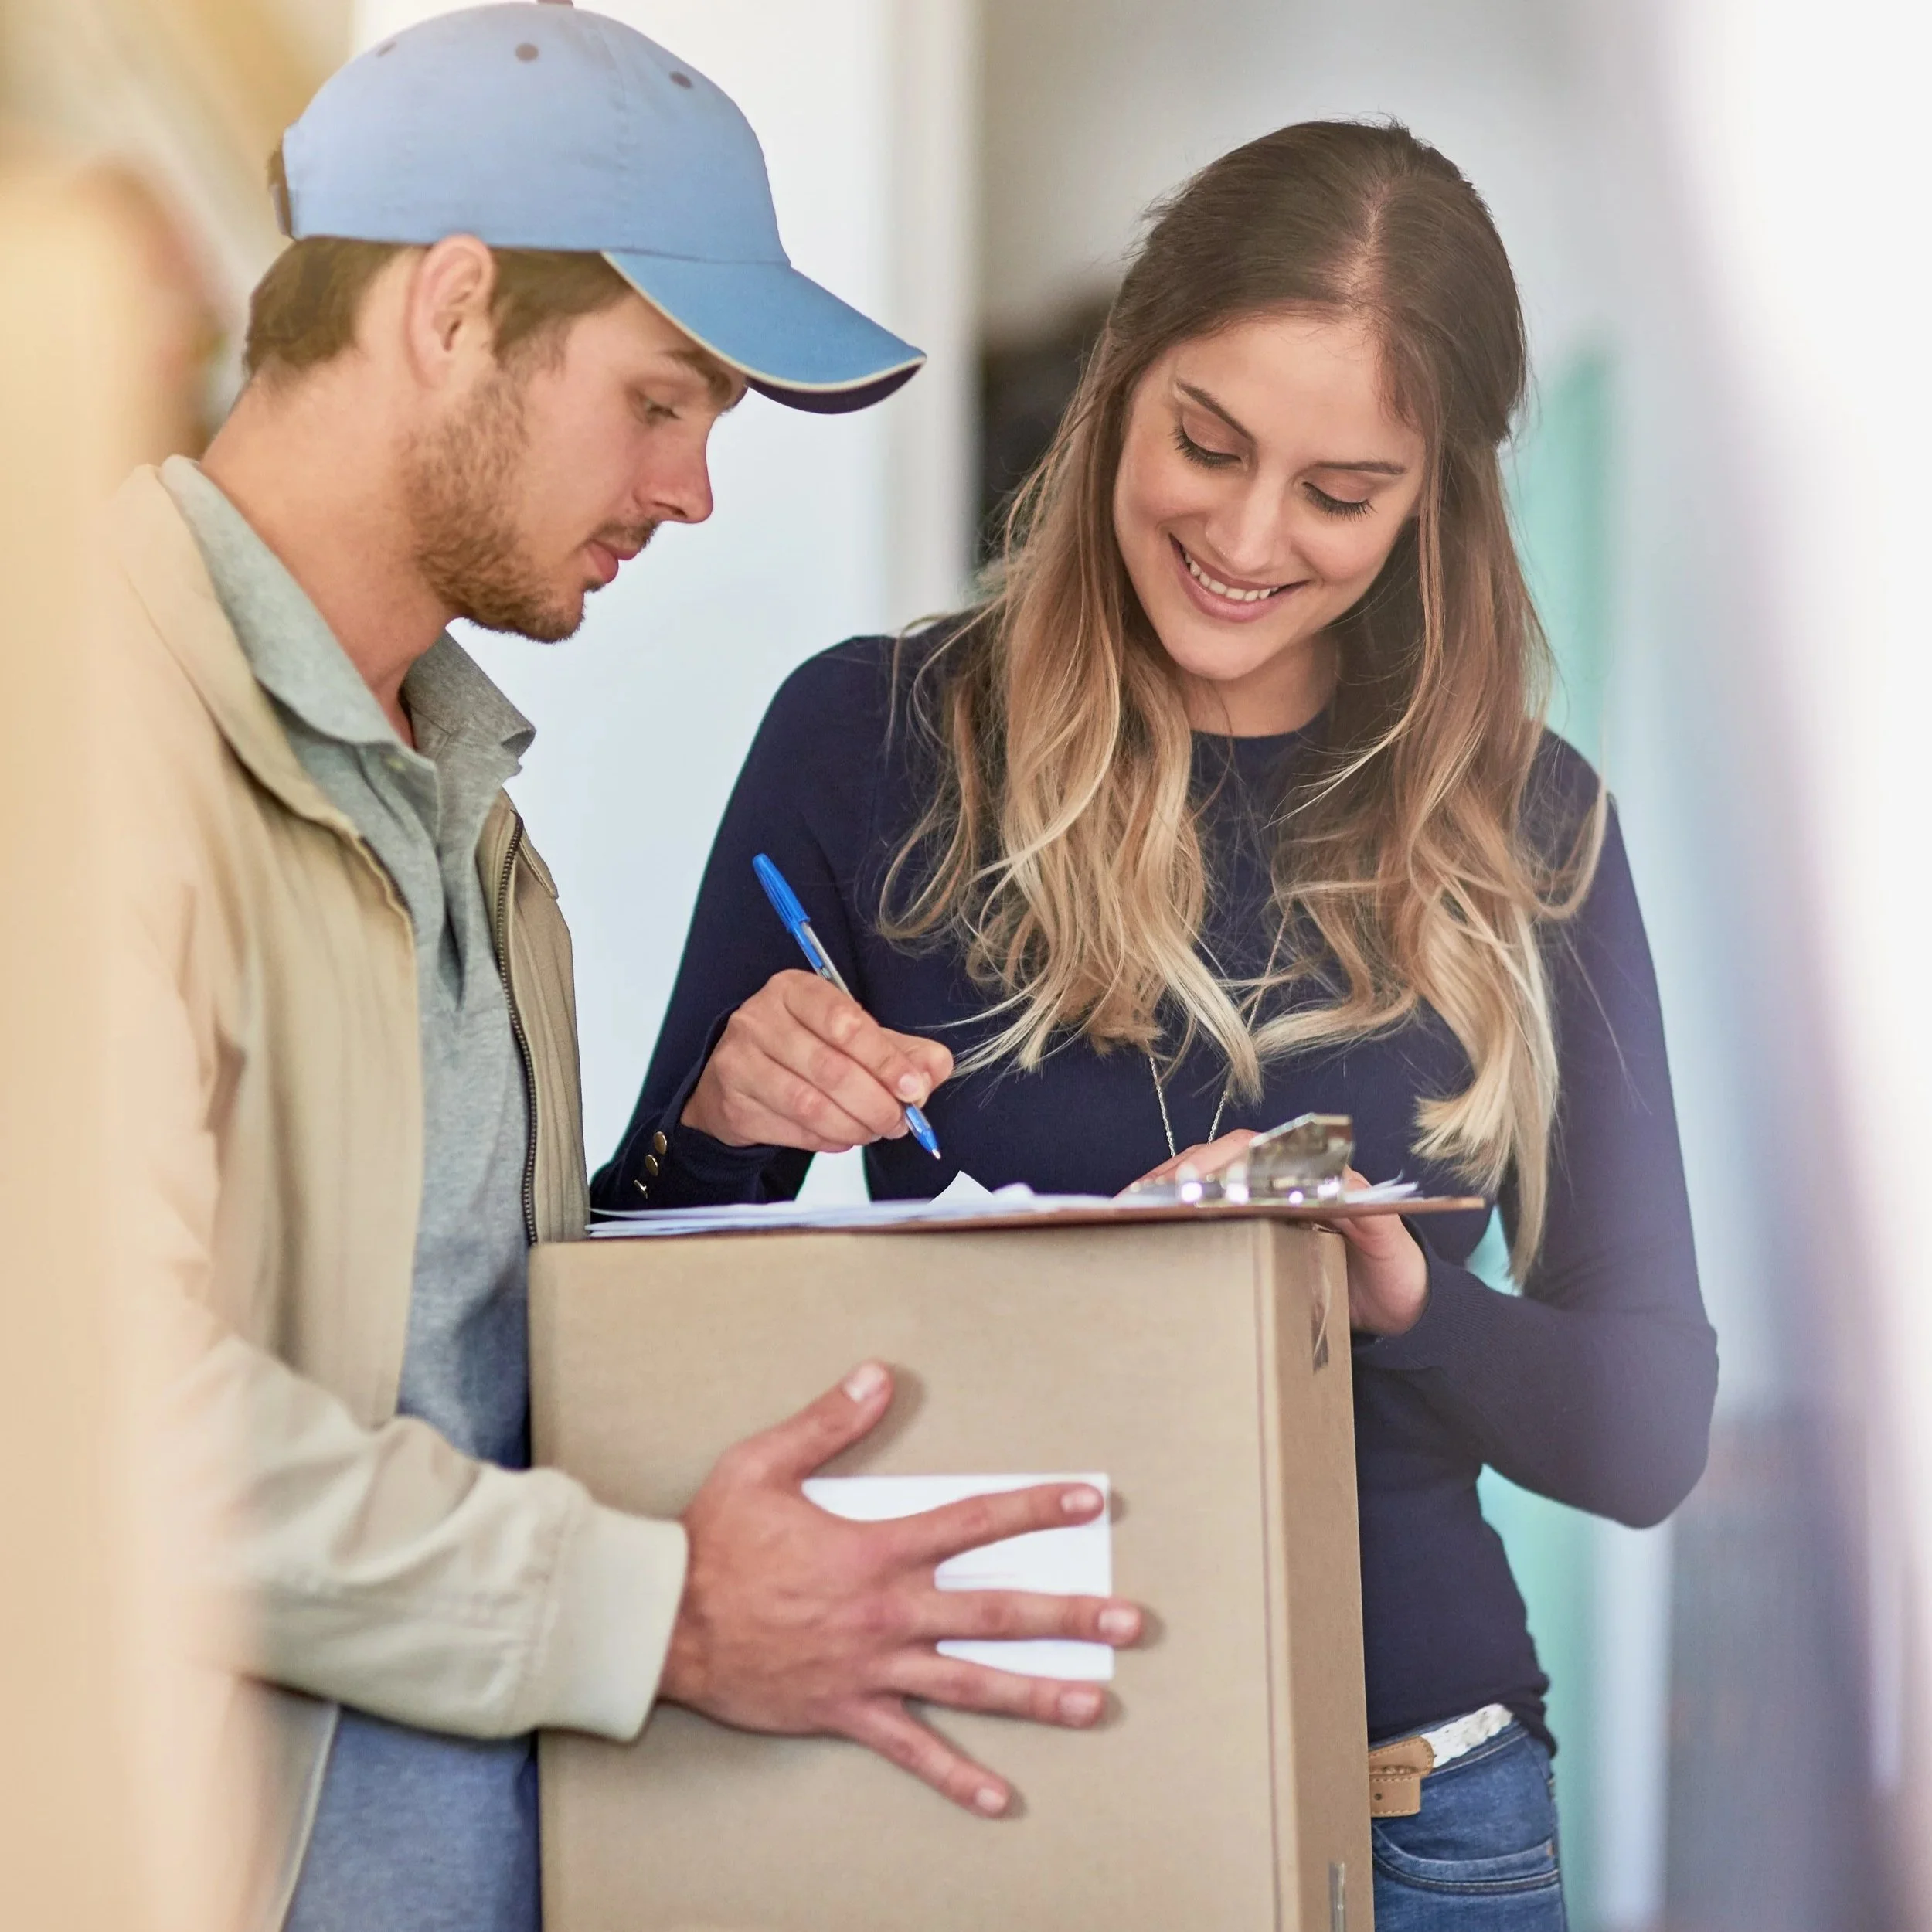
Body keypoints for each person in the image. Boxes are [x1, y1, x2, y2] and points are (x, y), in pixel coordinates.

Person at [600, 119, 1719, 1927]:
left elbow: (1650, 1427)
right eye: (1205, 442)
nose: (1247, 536)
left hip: (1417, 1812)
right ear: (1121, 381)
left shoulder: (1536, 825)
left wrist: (1402, 1299)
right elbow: (625, 1306)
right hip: (986, 1780)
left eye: (1341, 491)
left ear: (1434, 499)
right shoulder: (867, 742)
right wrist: (725, 1113)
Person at [107, 8, 1144, 1930]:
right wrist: (666, 1611)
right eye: (658, 400)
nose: (690, 491)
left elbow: (433, 1361)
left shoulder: (473, 817)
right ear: (452, 309)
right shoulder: (77, 737)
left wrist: (704, 1140)